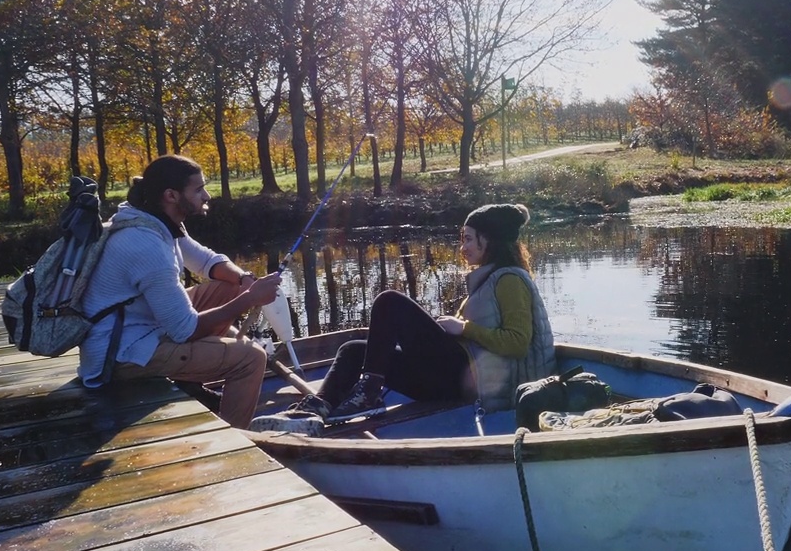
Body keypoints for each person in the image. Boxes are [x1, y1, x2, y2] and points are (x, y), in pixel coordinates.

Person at [78, 154, 282, 428]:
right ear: (172, 195)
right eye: (198, 189)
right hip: (120, 355)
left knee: (228, 286)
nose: (206, 195)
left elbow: (207, 261)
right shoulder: (147, 246)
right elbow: (184, 330)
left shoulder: (151, 218)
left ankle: (192, 387)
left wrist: (245, 280)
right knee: (251, 358)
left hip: (137, 327)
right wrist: (251, 299)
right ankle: (239, 440)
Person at [303, 203, 556, 423]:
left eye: (468, 238)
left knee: (390, 302)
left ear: (488, 239)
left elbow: (518, 344)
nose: (462, 247)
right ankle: (316, 410)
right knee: (353, 350)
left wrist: (464, 328)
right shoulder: (488, 279)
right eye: (462, 239)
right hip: (455, 377)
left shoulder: (510, 280)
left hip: (474, 381)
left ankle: (367, 395)